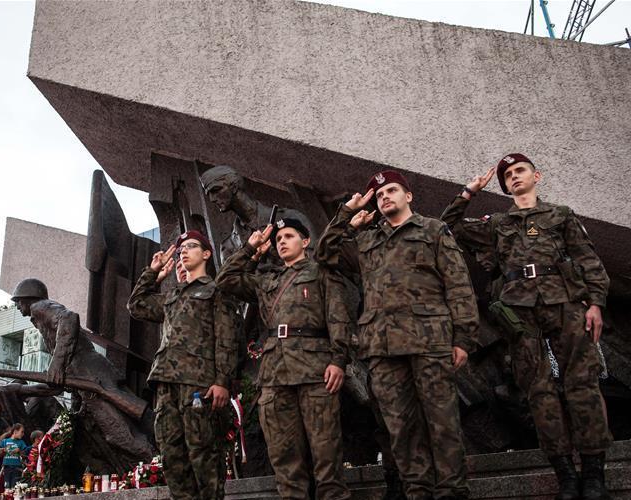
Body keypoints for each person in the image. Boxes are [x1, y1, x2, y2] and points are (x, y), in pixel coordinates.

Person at [440, 154, 612, 500]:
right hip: (520, 313)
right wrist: (469, 191)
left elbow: (588, 259)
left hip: (565, 304)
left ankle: (593, 475)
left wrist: (596, 303)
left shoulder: (560, 215)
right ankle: (565, 474)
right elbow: (448, 226)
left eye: (519, 171)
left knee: (582, 384)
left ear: (537, 175)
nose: (514, 177)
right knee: (539, 391)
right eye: (507, 175)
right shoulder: (497, 223)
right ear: (504, 187)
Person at [316, 171, 480, 500]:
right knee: (401, 428)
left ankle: (452, 492)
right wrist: (347, 214)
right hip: (383, 349)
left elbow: (458, 285)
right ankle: (418, 491)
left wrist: (463, 337)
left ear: (409, 196)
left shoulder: (433, 230)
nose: (385, 197)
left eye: (392, 190)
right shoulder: (366, 241)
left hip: (429, 342)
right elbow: (324, 254)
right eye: (379, 195)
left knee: (442, 422)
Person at [216, 218, 352, 499]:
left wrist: (339, 360)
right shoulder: (267, 281)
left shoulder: (321, 273)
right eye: (278, 239)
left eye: (289, 236)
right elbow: (225, 281)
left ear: (305, 242)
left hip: (316, 372)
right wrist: (250, 249)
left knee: (327, 457)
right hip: (275, 375)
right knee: (285, 462)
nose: (281, 241)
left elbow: (338, 318)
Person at [127, 230, 239, 500]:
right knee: (173, 459)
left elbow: (227, 337)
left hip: (199, 386)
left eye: (191, 246)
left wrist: (222, 381)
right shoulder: (173, 296)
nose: (184, 252)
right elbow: (137, 305)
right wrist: (153, 273)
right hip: (166, 386)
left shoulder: (216, 290)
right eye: (181, 249)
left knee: (204, 458)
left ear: (206, 254)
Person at [200, 165, 313, 267]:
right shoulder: (229, 247)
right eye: (208, 194)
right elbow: (230, 285)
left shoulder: (291, 217)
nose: (212, 199)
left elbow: (313, 262)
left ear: (234, 187)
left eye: (216, 190)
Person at [0, 425, 29, 489]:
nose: (23, 434)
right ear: (15, 431)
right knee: (6, 486)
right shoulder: (5, 441)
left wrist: (19, 451)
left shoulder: (21, 442)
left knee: (15, 487)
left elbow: (25, 455)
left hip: (17, 468)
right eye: (22, 432)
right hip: (6, 467)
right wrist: (3, 450)